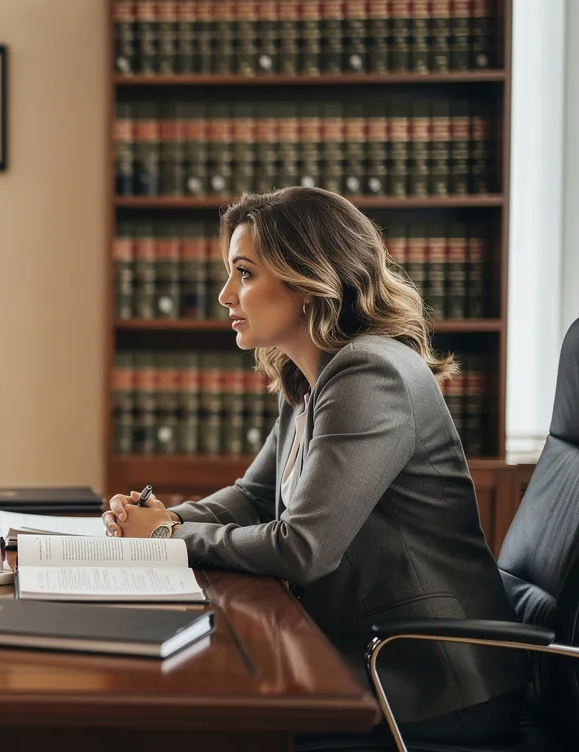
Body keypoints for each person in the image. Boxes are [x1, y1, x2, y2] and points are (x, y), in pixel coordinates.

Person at [103, 187, 528, 747]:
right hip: (366, 652)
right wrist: (161, 518)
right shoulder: (310, 375)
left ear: (308, 280)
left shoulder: (369, 374)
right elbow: (252, 497)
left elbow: (302, 548)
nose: (226, 294)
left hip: (433, 681)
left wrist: (165, 535)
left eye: (245, 274)